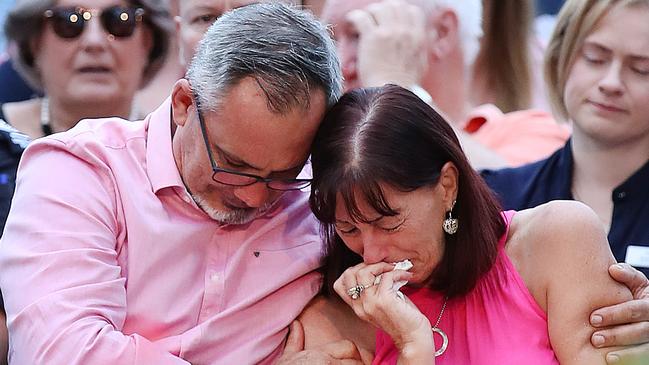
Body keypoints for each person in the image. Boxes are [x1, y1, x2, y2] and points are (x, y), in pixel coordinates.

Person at [0, 3, 344, 364]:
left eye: (282, 175)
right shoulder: (78, 170)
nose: (254, 195)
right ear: (183, 103)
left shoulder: (318, 203)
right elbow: (63, 353)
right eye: (233, 164)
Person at [303, 84, 632, 364]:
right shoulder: (335, 318)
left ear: (447, 186)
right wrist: (412, 345)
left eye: (388, 222)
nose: (372, 254)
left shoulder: (558, 241)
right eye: (348, 229)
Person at [481, 1, 649, 362]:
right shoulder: (490, 195)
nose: (611, 83)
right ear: (560, 55)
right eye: (594, 57)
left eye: (641, 69)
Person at [321, 0, 570, 168]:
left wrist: (394, 87)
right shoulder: (319, 142)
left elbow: (512, 198)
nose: (340, 65)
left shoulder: (530, 133)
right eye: (330, 40)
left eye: (360, 36)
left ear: (442, 31)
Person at [0, 0, 172, 232]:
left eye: (119, 20)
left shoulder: (174, 150)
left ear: (148, 43)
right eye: (69, 21)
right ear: (34, 44)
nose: (95, 42)